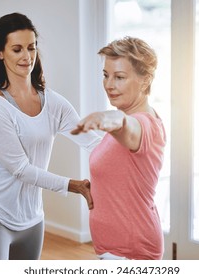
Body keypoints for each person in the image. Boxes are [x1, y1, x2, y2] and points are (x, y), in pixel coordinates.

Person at [0, 13, 101, 260]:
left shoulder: (54, 102)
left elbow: (92, 142)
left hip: (32, 220)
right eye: (17, 49)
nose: (27, 56)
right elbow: (21, 169)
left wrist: (131, 144)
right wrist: (75, 185)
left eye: (31, 47)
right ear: (1, 53)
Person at [71, 37, 166, 260]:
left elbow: (126, 126)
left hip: (132, 251)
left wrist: (107, 117)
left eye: (120, 77)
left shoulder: (146, 124)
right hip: (114, 251)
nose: (109, 85)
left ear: (145, 81)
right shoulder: (129, 116)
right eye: (106, 75)